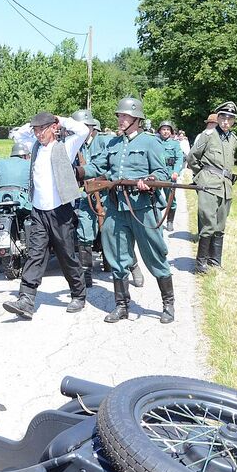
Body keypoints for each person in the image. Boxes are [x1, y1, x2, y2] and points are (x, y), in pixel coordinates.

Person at [88, 97, 175, 324]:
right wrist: (78, 171)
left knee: (155, 254)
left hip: (143, 208)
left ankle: (168, 304)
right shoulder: (114, 143)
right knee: (117, 256)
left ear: (137, 119)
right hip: (116, 207)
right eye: (119, 115)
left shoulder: (150, 142)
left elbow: (162, 173)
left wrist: (150, 179)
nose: (120, 119)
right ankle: (122, 306)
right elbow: (99, 168)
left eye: (125, 116)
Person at [2, 111, 89, 319]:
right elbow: (17, 135)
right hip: (39, 210)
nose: (38, 133)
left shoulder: (65, 147)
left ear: (53, 128)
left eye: (42, 129)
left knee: (66, 254)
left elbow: (83, 130)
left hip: (60, 211)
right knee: (35, 254)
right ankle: (26, 299)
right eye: (36, 130)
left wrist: (61, 120)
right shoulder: (35, 146)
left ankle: (78, 294)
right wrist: (33, 124)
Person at [187, 102, 237, 274]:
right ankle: (201, 264)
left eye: (230, 118)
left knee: (220, 225)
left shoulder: (233, 139)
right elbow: (192, 157)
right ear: (218, 118)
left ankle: (215, 261)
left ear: (233, 121)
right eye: (223, 117)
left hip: (225, 186)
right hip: (209, 184)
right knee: (208, 223)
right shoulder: (208, 136)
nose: (225, 121)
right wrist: (201, 176)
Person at [70, 109, 110, 287]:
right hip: (87, 196)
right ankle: (86, 273)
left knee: (113, 232)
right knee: (84, 232)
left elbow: (113, 168)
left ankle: (130, 265)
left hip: (107, 195)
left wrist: (100, 179)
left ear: (90, 127)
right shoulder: (76, 146)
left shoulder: (105, 142)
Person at [157, 121, 185, 232]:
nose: (166, 131)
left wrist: (176, 171)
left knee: (171, 200)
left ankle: (169, 221)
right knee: (154, 197)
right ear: (159, 131)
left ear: (171, 131)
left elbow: (179, 158)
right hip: (158, 174)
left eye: (168, 129)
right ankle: (156, 219)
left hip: (170, 174)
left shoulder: (175, 144)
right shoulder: (155, 142)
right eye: (163, 129)